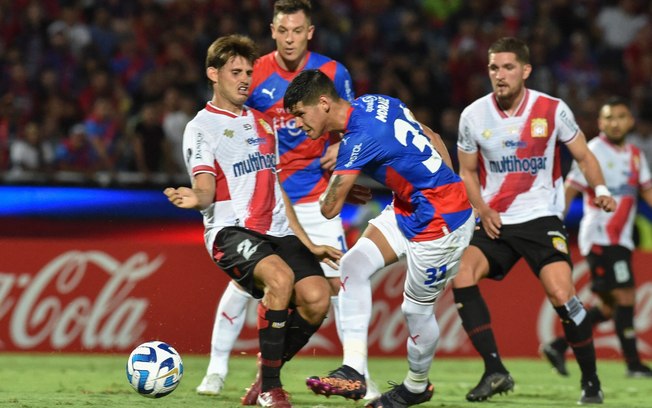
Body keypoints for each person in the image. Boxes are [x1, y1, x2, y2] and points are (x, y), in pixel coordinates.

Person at [192, 0, 380, 402]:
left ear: (309, 32)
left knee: (335, 284)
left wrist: (342, 151)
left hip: (315, 195)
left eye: (298, 30)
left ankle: (355, 370)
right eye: (283, 30)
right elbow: (231, 128)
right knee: (251, 286)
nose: (290, 38)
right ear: (273, 31)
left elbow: (349, 120)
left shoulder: (333, 72)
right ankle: (216, 369)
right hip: (260, 200)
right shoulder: (252, 73)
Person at [164, 34, 341, 408]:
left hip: (278, 231)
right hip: (231, 232)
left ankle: (265, 376)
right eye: (235, 72)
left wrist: (307, 242)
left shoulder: (265, 124)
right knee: (280, 278)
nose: (245, 79)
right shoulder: (201, 127)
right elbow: (206, 189)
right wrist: (194, 198)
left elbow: (277, 187)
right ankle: (271, 389)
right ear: (213, 73)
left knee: (318, 298)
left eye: (248, 72)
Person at [283, 69, 476, 407]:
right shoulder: (376, 101)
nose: (298, 124)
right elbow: (429, 134)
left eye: (300, 113)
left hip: (442, 222)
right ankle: (354, 370)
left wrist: (337, 184)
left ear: (324, 103)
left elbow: (329, 209)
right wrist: (441, 179)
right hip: (409, 206)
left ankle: (416, 387)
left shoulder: (355, 140)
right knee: (353, 266)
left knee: (416, 310)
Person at [452, 36, 617, 405]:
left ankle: (591, 381)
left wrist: (600, 188)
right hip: (495, 220)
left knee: (563, 296)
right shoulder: (473, 115)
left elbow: (585, 156)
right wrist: (481, 208)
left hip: (541, 218)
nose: (500, 75)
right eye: (494, 67)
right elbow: (466, 171)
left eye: (508, 67)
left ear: (525, 70)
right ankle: (495, 370)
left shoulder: (552, 109)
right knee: (461, 274)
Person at [542, 97, 652, 378]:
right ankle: (633, 364)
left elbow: (647, 192)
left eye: (621, 116)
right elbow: (571, 188)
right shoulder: (593, 151)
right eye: (609, 117)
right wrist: (554, 226)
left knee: (607, 305)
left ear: (631, 121)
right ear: (600, 123)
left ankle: (557, 345)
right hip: (601, 237)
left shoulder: (635, 155)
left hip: (622, 239)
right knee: (624, 295)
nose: (615, 122)